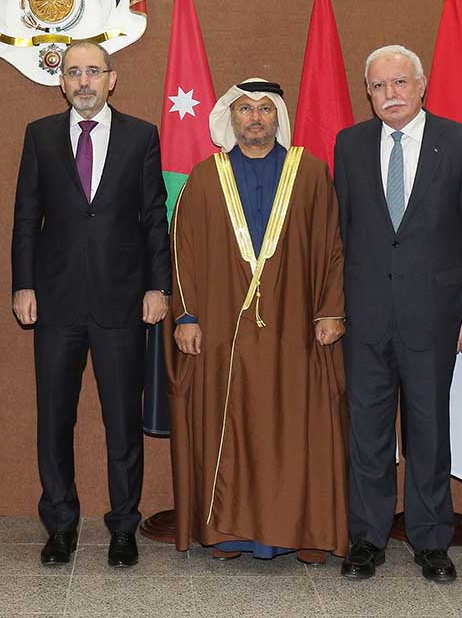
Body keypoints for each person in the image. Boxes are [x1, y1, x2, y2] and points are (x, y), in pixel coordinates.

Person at [168, 79, 349, 564]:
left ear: (278, 117)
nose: (254, 118)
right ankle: (230, 533)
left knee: (290, 427)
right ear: (231, 116)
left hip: (295, 329)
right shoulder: (204, 178)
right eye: (245, 109)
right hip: (222, 331)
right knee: (232, 424)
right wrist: (186, 315)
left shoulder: (310, 173)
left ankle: (295, 531)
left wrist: (330, 310)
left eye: (265, 109)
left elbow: (332, 245)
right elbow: (182, 252)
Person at [333, 44, 462, 582]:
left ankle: (430, 541)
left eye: (400, 83)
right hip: (367, 317)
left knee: (428, 430)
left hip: (436, 316)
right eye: (379, 86)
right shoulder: (349, 145)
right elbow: (342, 235)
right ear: (368, 92)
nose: (390, 94)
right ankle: (367, 538)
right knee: (368, 433)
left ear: (421, 85)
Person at [12, 41, 170, 568]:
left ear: (112, 79)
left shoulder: (141, 136)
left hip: (122, 303)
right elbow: (25, 218)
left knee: (122, 422)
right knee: (54, 420)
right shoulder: (39, 136)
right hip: (55, 304)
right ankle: (61, 526)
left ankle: (123, 527)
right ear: (61, 82)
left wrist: (158, 286)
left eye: (93, 72)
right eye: (73, 72)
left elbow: (154, 218)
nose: (83, 81)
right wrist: (23, 285)